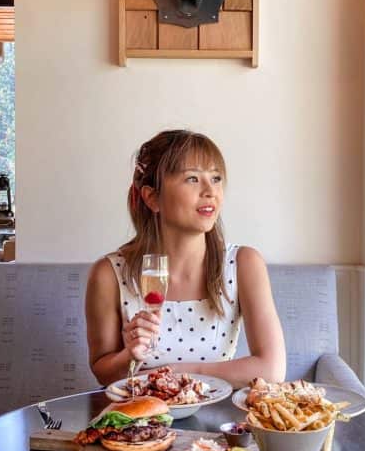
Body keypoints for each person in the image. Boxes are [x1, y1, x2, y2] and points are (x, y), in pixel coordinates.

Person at [85, 129, 286, 388]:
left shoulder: (244, 264)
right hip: (140, 422)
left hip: (215, 424)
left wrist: (175, 372)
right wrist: (129, 356)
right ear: (152, 197)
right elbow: (103, 373)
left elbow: (272, 369)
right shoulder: (108, 274)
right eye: (192, 178)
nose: (210, 191)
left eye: (215, 178)